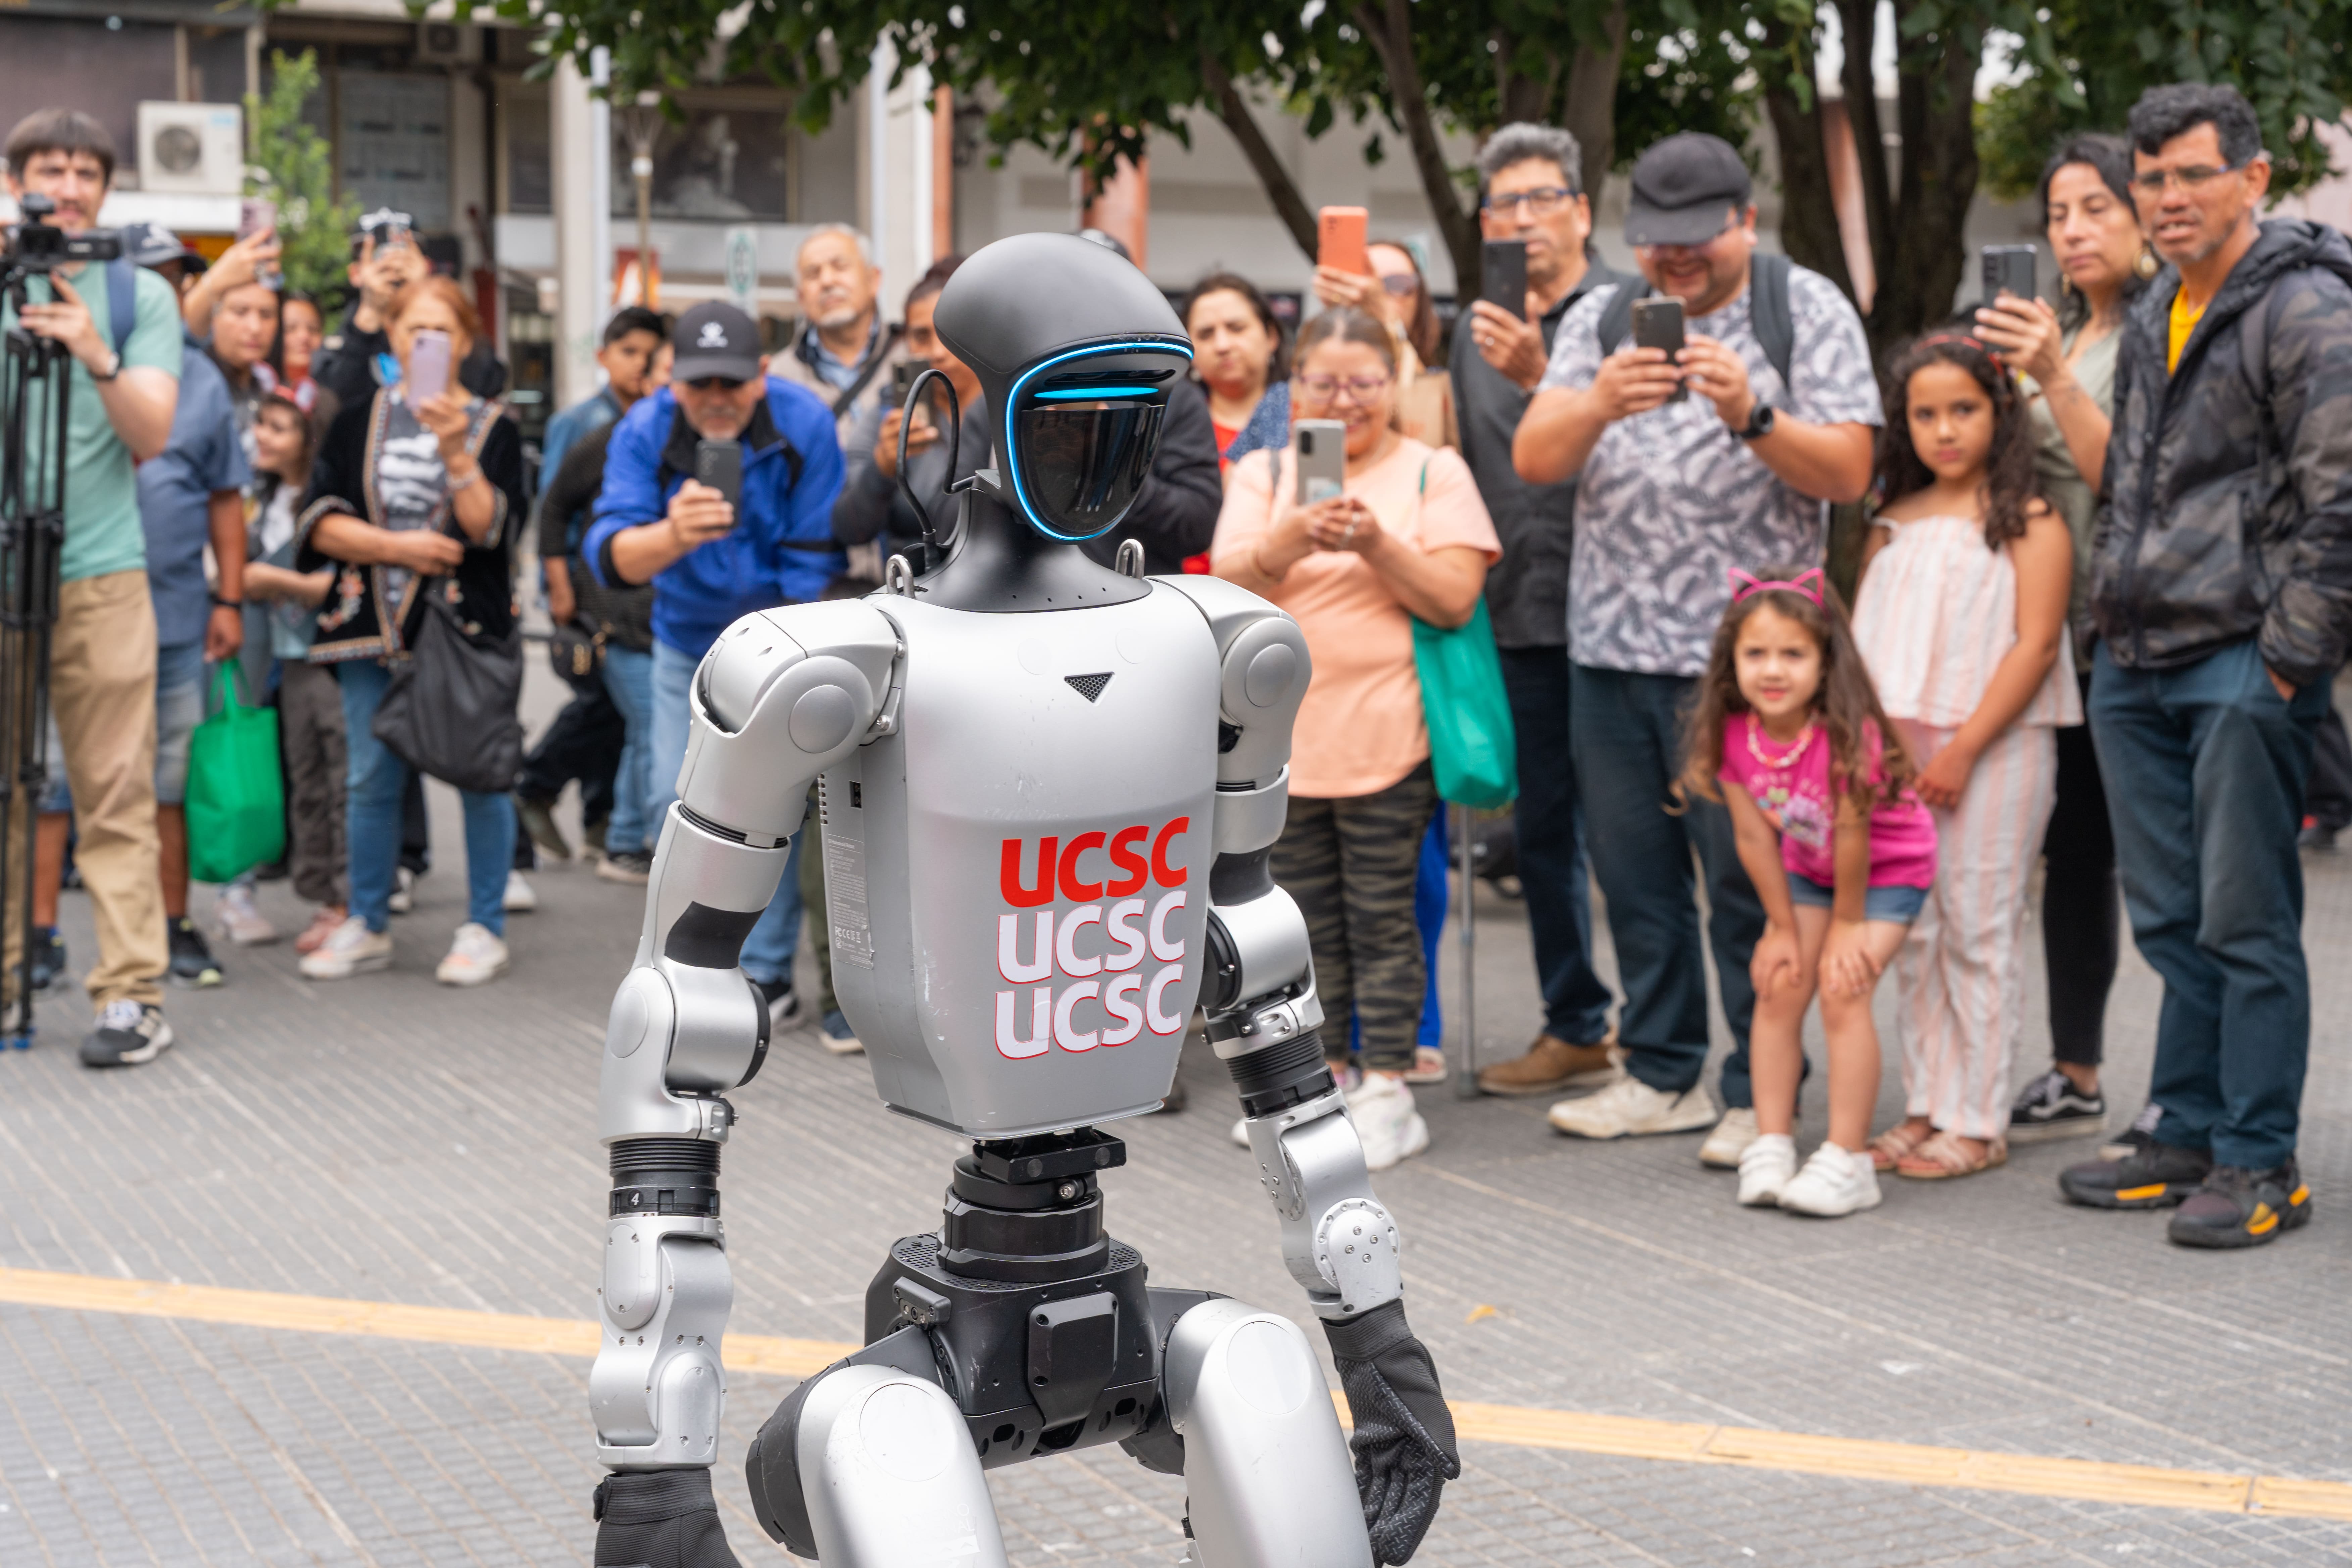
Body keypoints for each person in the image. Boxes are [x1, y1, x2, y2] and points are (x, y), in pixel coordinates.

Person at [1511, 131, 1880, 1155]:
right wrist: (1597, 401)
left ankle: (1756, 1089)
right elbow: (1534, 457)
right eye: (1654, 239)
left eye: (1695, 238)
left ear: (1745, 221)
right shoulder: (1600, 315)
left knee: (1750, 889)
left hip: (1750, 671)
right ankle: (1661, 1071)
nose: (1672, 258)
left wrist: (1752, 414)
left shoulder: (1803, 307)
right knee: (1634, 880)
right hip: (1609, 649)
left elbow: (1850, 471)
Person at [2058, 83, 2352, 1249]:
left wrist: (2286, 661)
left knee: (2244, 917)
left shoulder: (2303, 305)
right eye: (2151, 179)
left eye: (2190, 174)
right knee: (2172, 916)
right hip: (2134, 658)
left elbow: (2340, 499)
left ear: (2251, 178)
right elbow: (2128, 485)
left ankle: (2257, 1157)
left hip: (2241, 660)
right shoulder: (2152, 309)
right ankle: (2181, 1129)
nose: (2166, 198)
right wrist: (2105, 632)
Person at [1210, 307, 1502, 1168]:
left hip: (1391, 734)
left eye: (1364, 383)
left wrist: (1375, 542)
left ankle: (1388, 1085)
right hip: (1281, 743)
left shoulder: (1433, 469)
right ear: (1296, 387)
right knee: (1299, 922)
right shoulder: (1264, 471)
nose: (1345, 400)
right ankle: (1318, 1077)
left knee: (1383, 917)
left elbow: (1454, 597)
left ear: (1393, 383)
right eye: (1325, 383)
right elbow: (1225, 582)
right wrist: (1288, 540)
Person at [1850, 332, 2076, 1180]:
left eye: (1964, 410)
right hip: (1897, 754)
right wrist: (1878, 750)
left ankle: (1977, 1119)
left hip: (1994, 746)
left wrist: (1964, 748)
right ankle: (1925, 1103)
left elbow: (2036, 643)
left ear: (2000, 412)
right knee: (1914, 930)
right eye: (1924, 415)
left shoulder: (2030, 518)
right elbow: (1864, 650)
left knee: (1980, 924)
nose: (1944, 430)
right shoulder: (1890, 522)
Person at [583, 300, 846, 1028]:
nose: (717, 398)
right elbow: (609, 556)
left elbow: (812, 556)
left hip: (778, 643)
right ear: (673, 380)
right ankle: (694, 963)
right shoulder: (646, 428)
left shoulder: (804, 422)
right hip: (684, 644)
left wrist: (777, 660)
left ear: (762, 374)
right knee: (679, 809)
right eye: (700, 383)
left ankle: (764, 974)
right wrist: (671, 535)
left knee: (771, 812)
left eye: (733, 381)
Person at [1970, 133, 2152, 1142]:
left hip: (2130, 638)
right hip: (2048, 641)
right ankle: (2075, 1072)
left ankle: (2192, 1093)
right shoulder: (2067, 330)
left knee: (2158, 872)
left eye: (2096, 208)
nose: (2073, 231)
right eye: (2056, 215)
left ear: (2143, 213)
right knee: (2074, 861)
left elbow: (2124, 478)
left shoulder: (2163, 328)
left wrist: (2047, 375)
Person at [1443, 122, 1628, 1101]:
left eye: (1541, 199)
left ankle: (1668, 1034)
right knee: (1545, 830)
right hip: (1514, 608)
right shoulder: (1471, 331)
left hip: (1623, 614)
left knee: (1640, 834)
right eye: (1504, 204)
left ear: (1582, 211)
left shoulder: (1628, 312)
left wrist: (1542, 369)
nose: (1523, 220)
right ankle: (1575, 1023)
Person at [0, 111, 185, 1067]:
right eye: (48, 171)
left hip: (103, 570)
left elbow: (152, 432)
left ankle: (131, 995)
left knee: (114, 788)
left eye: (85, 173)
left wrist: (92, 348)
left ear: (106, 189)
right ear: (15, 182)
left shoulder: (134, 291)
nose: (67, 189)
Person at [295, 276, 529, 986]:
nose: (426, 341)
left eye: (441, 330)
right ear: (392, 338)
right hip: (371, 625)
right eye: (412, 329)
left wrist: (456, 453)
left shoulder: (494, 426)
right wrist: (398, 548)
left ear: (466, 341)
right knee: (370, 777)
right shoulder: (355, 419)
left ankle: (485, 926)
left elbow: (491, 530)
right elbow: (319, 522)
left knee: (480, 774)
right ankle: (368, 920)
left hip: (462, 630)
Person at [1685, 569, 1936, 1216]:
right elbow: (1751, 835)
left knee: (1841, 987)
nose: (1773, 670)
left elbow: (1854, 833)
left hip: (1886, 867)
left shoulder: (1846, 732)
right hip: (1810, 867)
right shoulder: (1731, 731)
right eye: (1756, 653)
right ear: (1731, 661)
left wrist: (1846, 926)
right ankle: (1771, 1143)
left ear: (1825, 662)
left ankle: (1848, 1160)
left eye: (1793, 654)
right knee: (1778, 982)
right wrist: (1779, 925)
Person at [127, 226, 251, 991]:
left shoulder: (201, 375)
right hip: (80, 606)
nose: (166, 291)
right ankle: (40, 936)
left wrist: (228, 598)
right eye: (151, 277)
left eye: (177, 279)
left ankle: (174, 923)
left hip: (177, 611)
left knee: (170, 778)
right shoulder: (79, 356)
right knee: (62, 782)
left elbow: (224, 498)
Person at [517, 305, 666, 865]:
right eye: (630, 353)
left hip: (638, 592)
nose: (640, 366)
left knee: (618, 713)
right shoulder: (584, 424)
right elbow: (553, 509)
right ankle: (542, 790)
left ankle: (601, 821)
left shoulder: (658, 422)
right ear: (604, 356)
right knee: (607, 706)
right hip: (590, 590)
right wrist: (557, 590)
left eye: (651, 356)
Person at [240, 393, 346, 953]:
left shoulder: (326, 502)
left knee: (339, 778)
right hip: (284, 656)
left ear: (309, 439)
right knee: (305, 778)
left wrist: (269, 580)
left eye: (279, 428)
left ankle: (346, 899)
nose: (263, 436)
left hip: (328, 655)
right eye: (261, 424)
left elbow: (333, 583)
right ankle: (320, 892)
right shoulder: (261, 499)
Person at [1065, 228, 1224, 579]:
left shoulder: (1171, 395)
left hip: (1136, 597)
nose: (1089, 304)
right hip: (1016, 599)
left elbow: (1198, 526)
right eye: (1072, 287)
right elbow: (950, 520)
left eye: (1107, 289)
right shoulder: (1007, 395)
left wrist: (1110, 463)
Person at [1313, 240, 1455, 449]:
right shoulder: (1300, 383)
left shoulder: (1438, 384)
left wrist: (1389, 320)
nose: (1375, 294)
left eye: (1399, 284)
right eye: (1366, 283)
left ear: (1419, 300)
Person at [1185, 273, 1289, 475]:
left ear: (1271, 336)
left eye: (1237, 329)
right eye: (1206, 334)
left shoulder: (1305, 413)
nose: (1222, 346)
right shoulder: (1170, 423)